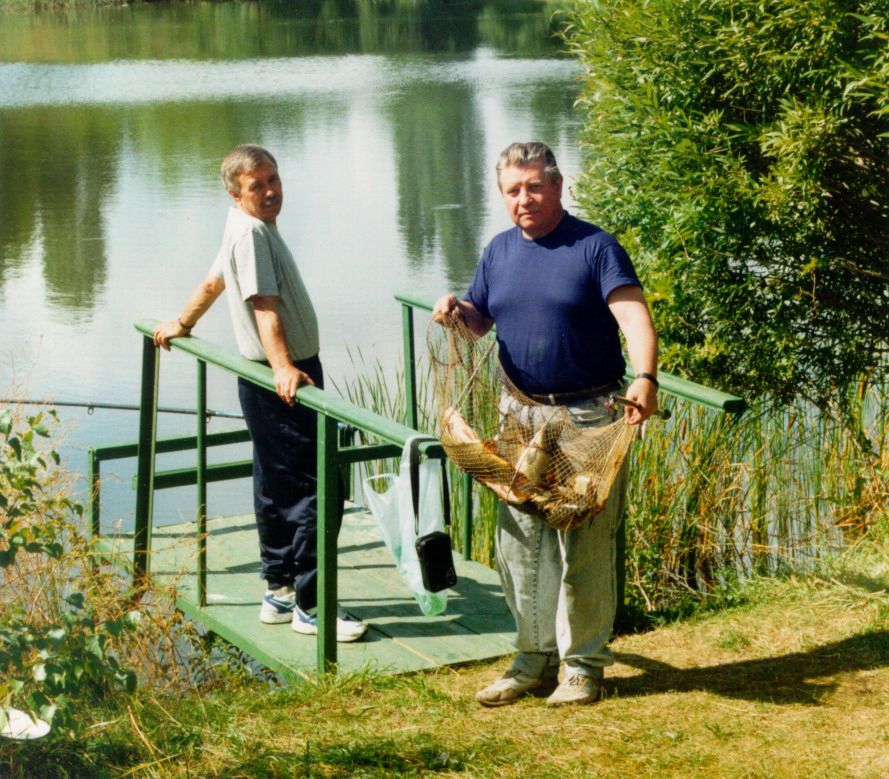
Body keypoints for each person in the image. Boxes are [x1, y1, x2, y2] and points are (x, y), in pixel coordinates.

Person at [432, 142, 658, 706]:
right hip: (518, 414)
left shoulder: (595, 247)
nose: (524, 199)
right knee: (520, 544)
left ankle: (581, 667)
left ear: (558, 187)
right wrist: (456, 310)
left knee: (584, 545)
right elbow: (481, 322)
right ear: (502, 194)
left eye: (535, 187)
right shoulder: (499, 250)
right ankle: (531, 659)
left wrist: (645, 377)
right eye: (513, 190)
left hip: (588, 417)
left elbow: (633, 315)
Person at [152, 144, 367, 642]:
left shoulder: (242, 225)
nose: (270, 192)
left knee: (274, 484)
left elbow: (213, 283)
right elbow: (264, 307)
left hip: (261, 375)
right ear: (236, 193)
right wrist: (285, 366)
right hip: (284, 375)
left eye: (273, 180)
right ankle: (313, 606)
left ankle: (279, 591)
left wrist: (182, 322)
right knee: (317, 486)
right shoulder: (250, 233)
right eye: (257, 186)